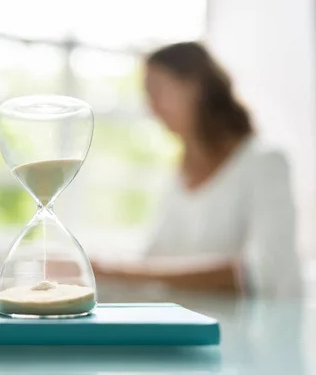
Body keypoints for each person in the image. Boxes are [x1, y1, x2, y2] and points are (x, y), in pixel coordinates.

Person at [93, 42, 301, 298]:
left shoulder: (265, 163)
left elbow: (263, 273)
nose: (152, 107)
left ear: (195, 88)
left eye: (157, 91)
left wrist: (119, 272)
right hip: (196, 330)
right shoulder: (178, 173)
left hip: (261, 335)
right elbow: (153, 259)